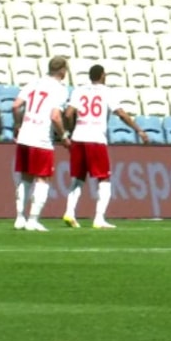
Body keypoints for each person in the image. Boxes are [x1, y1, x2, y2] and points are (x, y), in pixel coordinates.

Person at [61, 64, 150, 230]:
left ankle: (69, 212)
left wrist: (69, 131)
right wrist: (139, 130)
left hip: (78, 137)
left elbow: (67, 114)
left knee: (78, 178)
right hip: (96, 139)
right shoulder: (107, 92)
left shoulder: (79, 90)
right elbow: (121, 113)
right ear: (102, 75)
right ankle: (99, 218)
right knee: (104, 179)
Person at [11, 56, 71, 232]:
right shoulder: (60, 89)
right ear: (62, 70)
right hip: (41, 138)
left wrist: (17, 125)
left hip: (25, 136)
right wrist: (64, 136)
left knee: (26, 177)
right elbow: (55, 116)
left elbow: (15, 106)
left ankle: (19, 218)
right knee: (42, 179)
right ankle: (33, 220)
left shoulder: (34, 83)